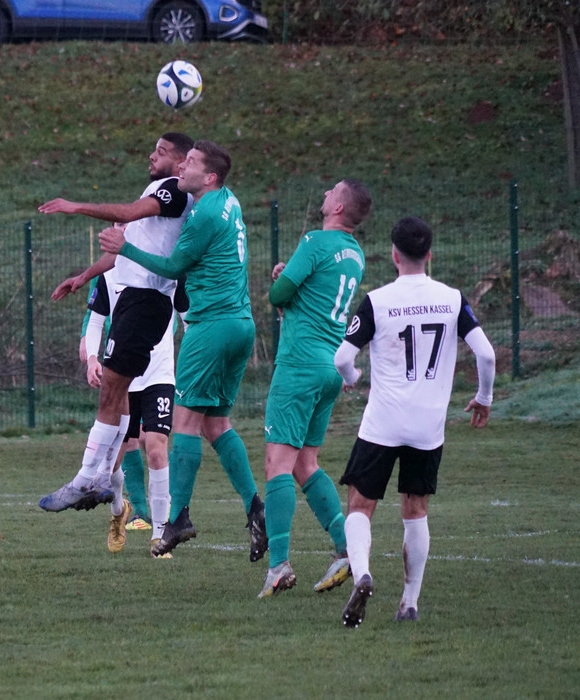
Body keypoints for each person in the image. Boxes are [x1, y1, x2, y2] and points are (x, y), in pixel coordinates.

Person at [99, 139, 265, 560]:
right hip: (241, 323)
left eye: (190, 162)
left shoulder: (204, 213)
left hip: (211, 326)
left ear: (209, 176)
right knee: (217, 425)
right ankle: (255, 507)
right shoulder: (228, 201)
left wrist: (125, 247)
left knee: (186, 424)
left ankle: (178, 518)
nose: (182, 167)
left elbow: (173, 267)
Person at [334, 216, 495, 627]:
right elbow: (486, 354)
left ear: (394, 255)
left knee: (359, 504)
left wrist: (353, 377)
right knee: (416, 509)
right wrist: (484, 397)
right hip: (428, 426)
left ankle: (363, 571)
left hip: (383, 422)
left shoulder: (378, 301)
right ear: (429, 255)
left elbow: (342, 358)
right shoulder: (452, 299)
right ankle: (409, 601)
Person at [36, 132, 195, 525]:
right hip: (136, 303)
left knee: (110, 391)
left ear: (180, 164)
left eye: (160, 151)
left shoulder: (173, 190)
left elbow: (127, 213)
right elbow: (123, 249)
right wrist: (83, 277)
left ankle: (86, 480)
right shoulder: (162, 195)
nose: (151, 155)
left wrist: (75, 206)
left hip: (144, 302)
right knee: (116, 391)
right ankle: (99, 478)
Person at [259, 178, 372, 598]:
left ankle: (278, 566)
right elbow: (310, 293)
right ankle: (346, 549)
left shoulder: (314, 241)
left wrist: (283, 279)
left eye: (332, 191)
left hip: (300, 364)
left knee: (277, 464)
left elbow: (279, 294)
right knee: (306, 463)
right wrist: (291, 282)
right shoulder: (355, 254)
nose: (324, 194)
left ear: (339, 207)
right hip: (330, 368)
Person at [83, 269, 185, 557]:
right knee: (114, 457)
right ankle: (119, 511)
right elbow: (95, 321)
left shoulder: (167, 268)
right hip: (123, 376)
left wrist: (194, 360)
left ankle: (160, 536)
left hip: (159, 375)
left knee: (156, 448)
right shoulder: (110, 273)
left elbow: (188, 318)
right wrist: (92, 359)